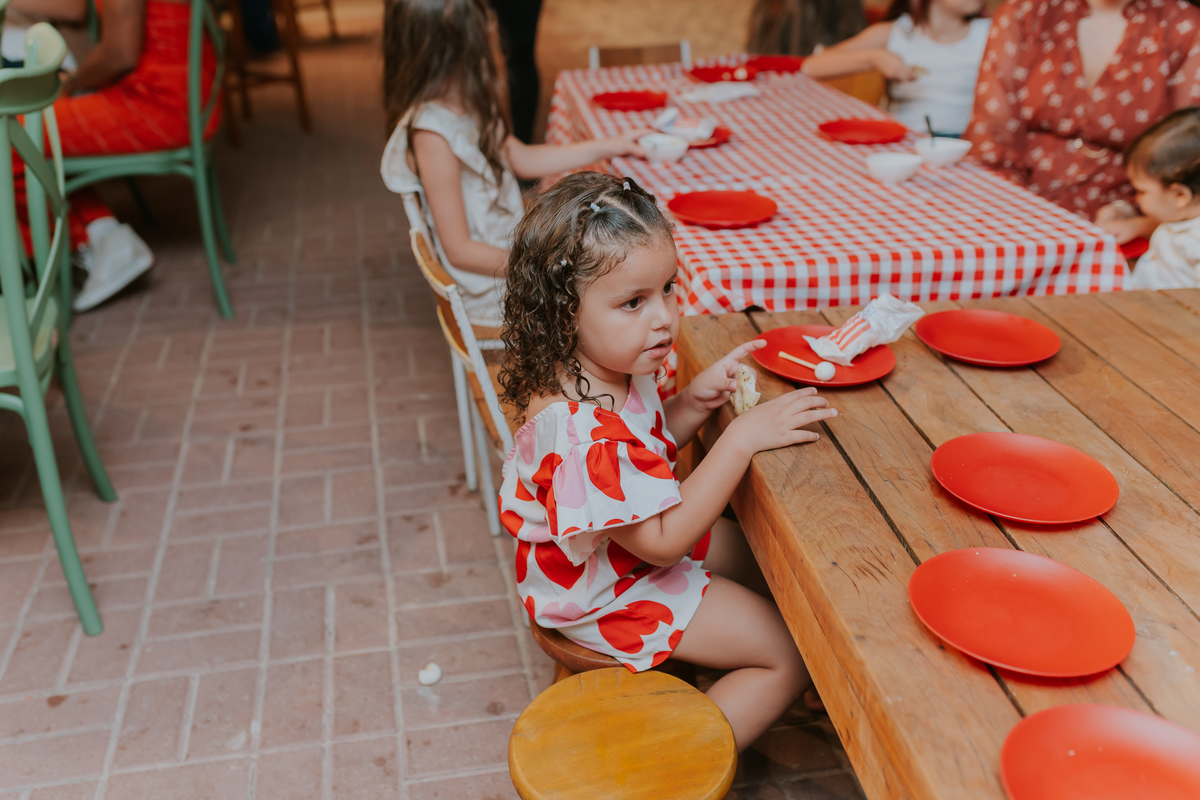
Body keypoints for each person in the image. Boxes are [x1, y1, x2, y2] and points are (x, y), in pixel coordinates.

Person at [497, 171, 837, 749]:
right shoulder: (581, 438)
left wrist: (693, 403)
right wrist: (739, 439)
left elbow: (643, 453)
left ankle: (818, 681)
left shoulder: (609, 363)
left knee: (773, 563)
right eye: (633, 301)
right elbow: (660, 542)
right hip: (605, 589)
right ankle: (675, 762)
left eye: (669, 288)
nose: (663, 317)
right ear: (564, 314)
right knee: (788, 652)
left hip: (627, 548)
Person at [380, 0, 647, 328]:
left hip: (511, 252)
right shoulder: (432, 136)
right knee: (605, 296)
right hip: (489, 286)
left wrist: (612, 144)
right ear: (453, 52)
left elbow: (521, 157)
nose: (497, 54)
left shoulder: (468, 100)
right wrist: (542, 268)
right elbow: (459, 250)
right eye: (486, 43)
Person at [10, 0, 218, 311]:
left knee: (12, 136)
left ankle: (84, 243)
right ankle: (101, 234)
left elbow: (119, 54)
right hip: (187, 93)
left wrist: (72, 83)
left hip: (159, 105)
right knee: (35, 127)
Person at [965, 0, 1200, 230]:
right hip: (1015, 197)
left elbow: (1185, 149)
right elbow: (992, 133)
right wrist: (1015, 207)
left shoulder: (1184, 24)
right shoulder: (1026, 10)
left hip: (1128, 210)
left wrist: (1133, 212)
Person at [801, 0, 989, 136]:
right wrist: (874, 58)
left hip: (962, 142)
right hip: (903, 139)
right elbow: (811, 65)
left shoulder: (989, 33)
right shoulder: (897, 33)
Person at [1107, 108, 1200, 289]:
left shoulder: (1195, 241)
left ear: (1180, 195)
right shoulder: (1179, 218)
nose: (1136, 198)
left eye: (1142, 191)